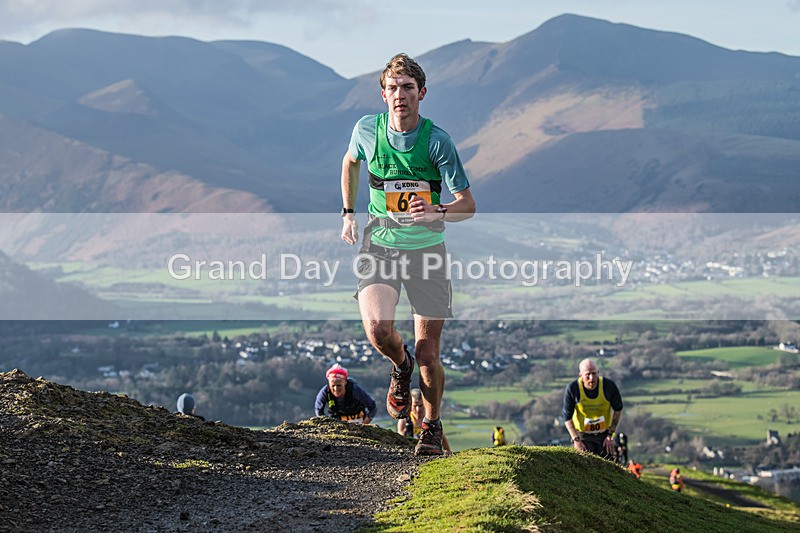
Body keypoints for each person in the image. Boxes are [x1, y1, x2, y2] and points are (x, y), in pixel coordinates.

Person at [340, 53, 476, 456]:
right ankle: (401, 367)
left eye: (408, 88)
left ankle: (431, 426)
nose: (400, 95)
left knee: (429, 352)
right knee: (379, 331)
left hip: (427, 252)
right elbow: (349, 163)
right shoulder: (367, 130)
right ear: (383, 94)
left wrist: (438, 210)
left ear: (422, 94)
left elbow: (467, 204)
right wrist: (348, 213)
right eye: (393, 88)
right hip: (380, 245)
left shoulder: (437, 142)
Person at [562, 358, 624, 460]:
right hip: (582, 435)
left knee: (608, 465)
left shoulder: (608, 386)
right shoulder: (573, 389)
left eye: (594, 374)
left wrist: (610, 435)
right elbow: (567, 417)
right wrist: (576, 440)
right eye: (588, 374)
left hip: (604, 434)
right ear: (580, 375)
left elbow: (618, 409)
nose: (592, 378)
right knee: (585, 465)